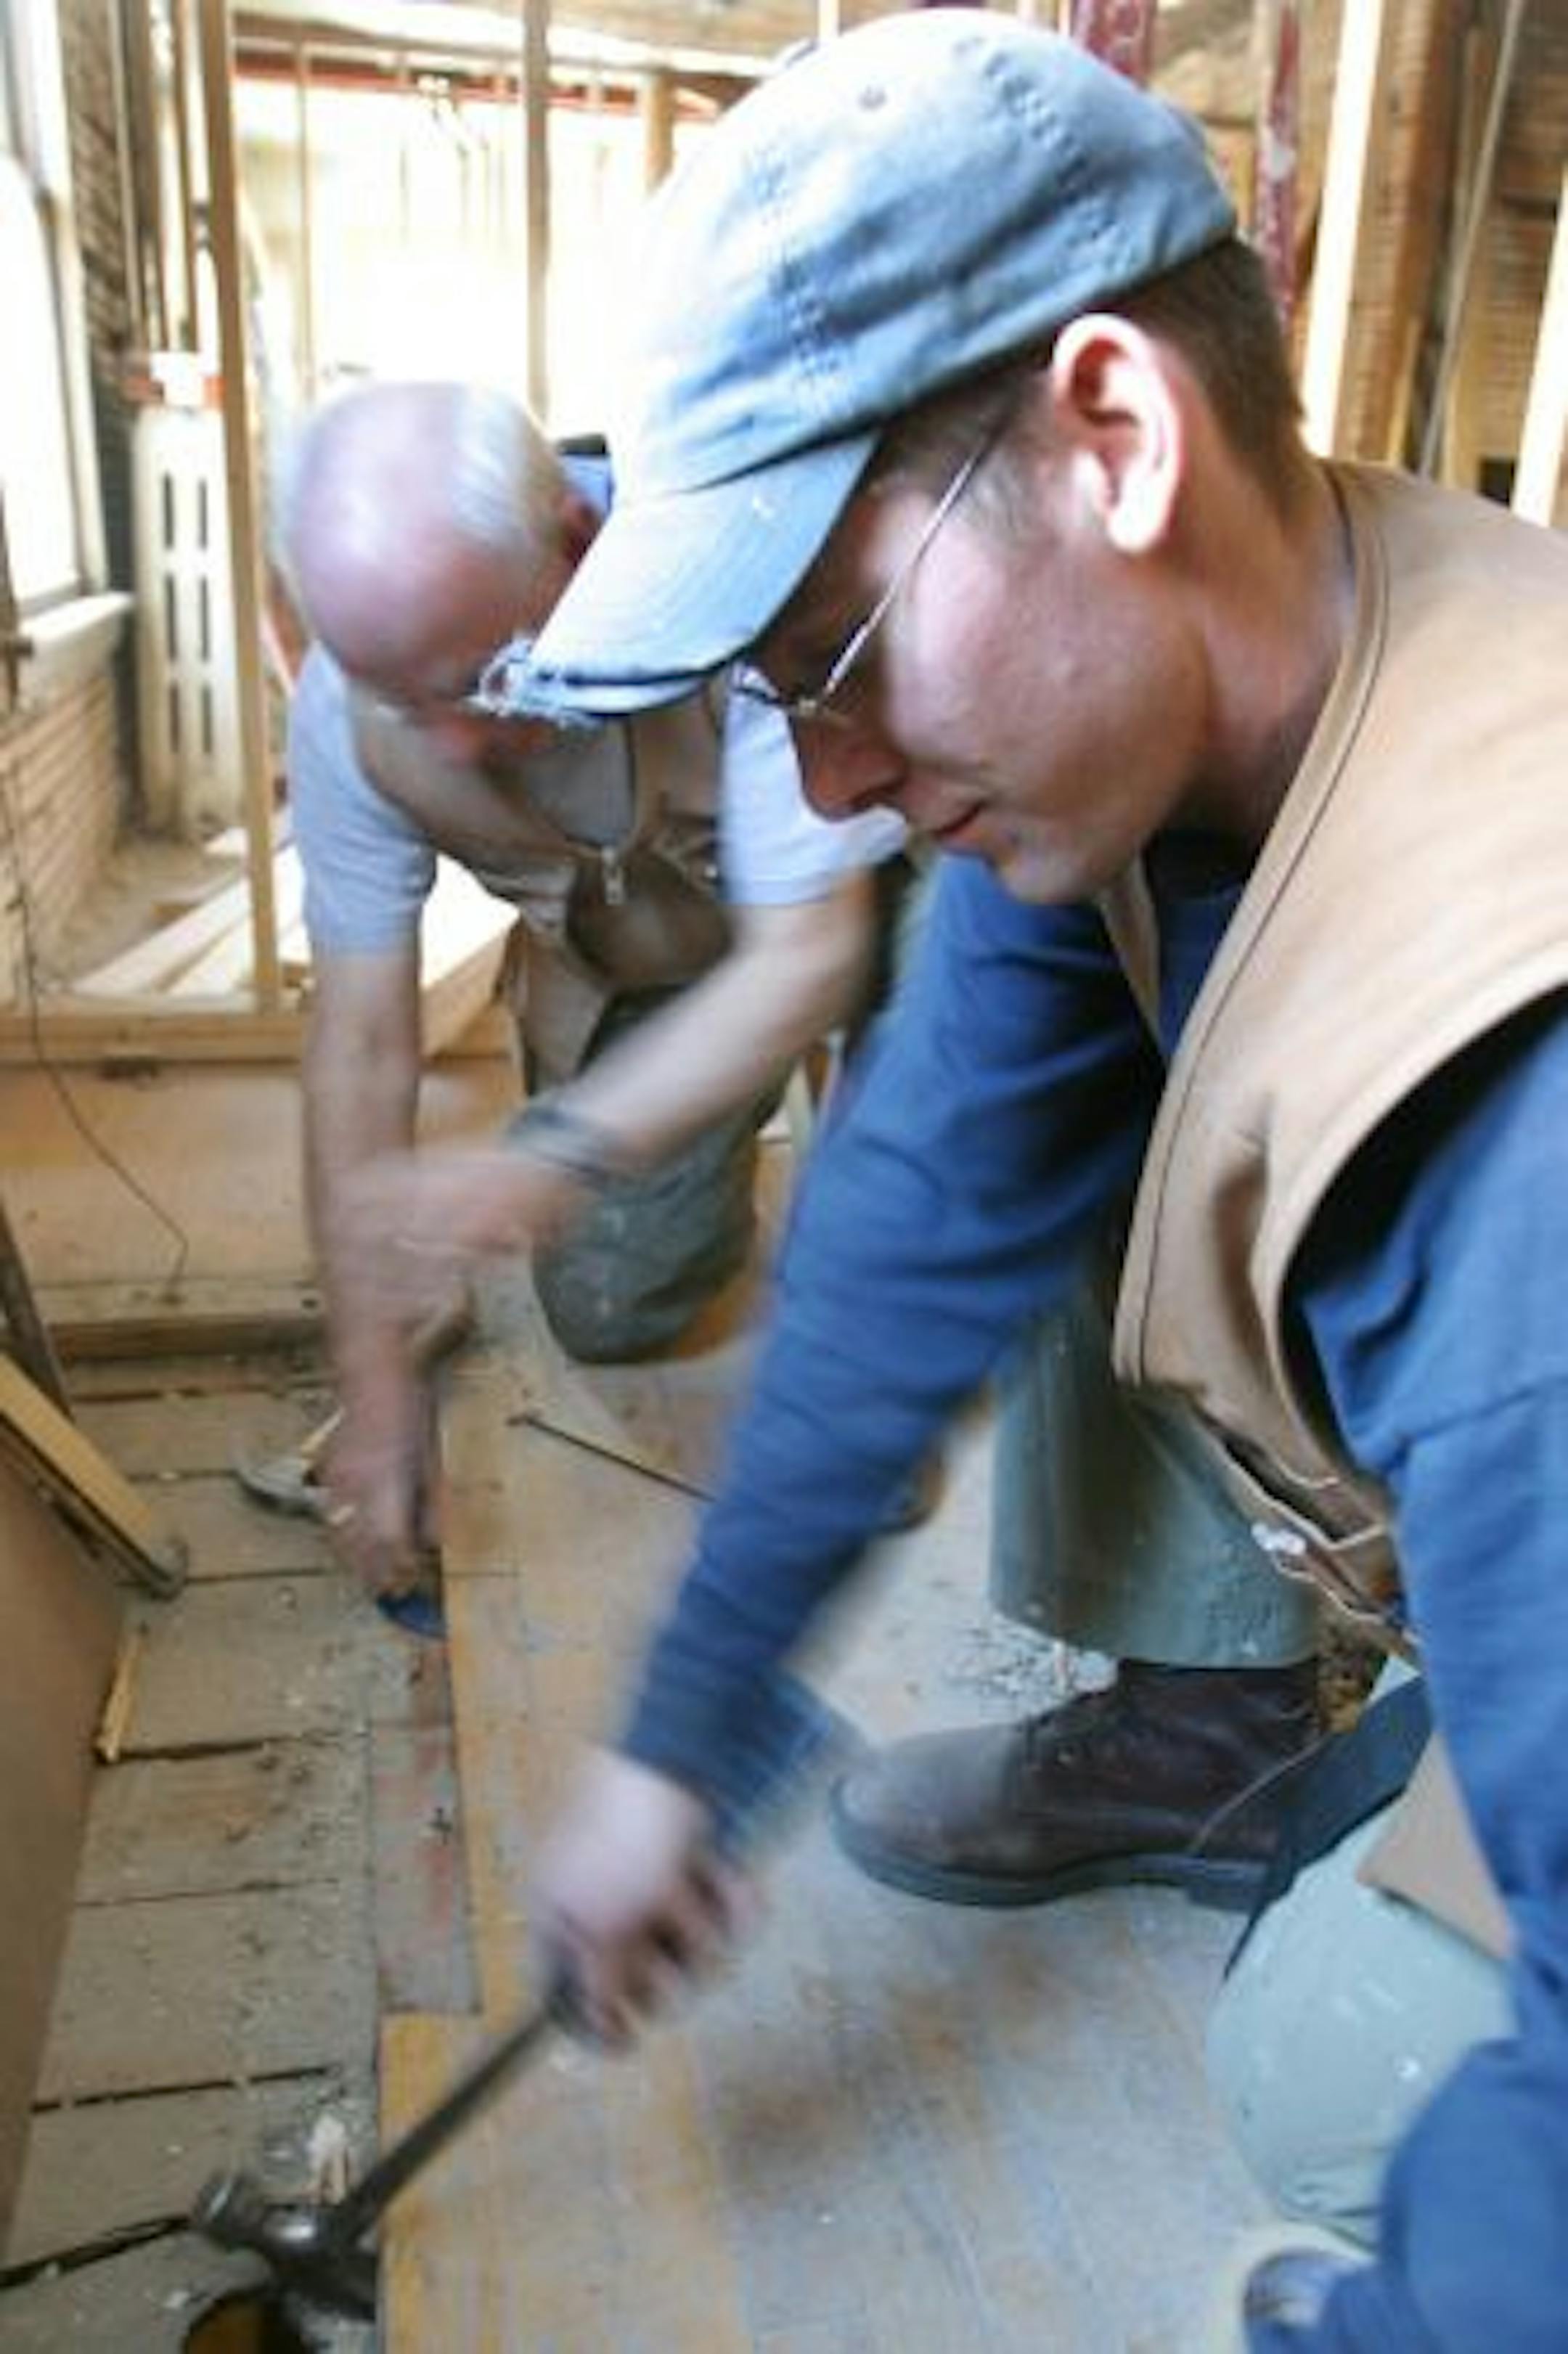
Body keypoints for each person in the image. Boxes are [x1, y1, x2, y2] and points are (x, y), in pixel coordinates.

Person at [482, 17, 1568, 2351]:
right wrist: (679, 1739)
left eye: (836, 650)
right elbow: (902, 1233)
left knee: (1339, 2063)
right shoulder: (1216, 693)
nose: (840, 778)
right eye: (776, 701)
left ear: (1116, 430)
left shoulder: (1523, 1150)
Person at [280, 380, 905, 1601]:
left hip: (860, 925)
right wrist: (375, 1383)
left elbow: (811, 959)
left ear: (578, 540)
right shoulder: (350, 713)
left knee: (956, 1204)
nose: (449, 742)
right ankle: (742, 1150)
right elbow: (357, 1045)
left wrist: (548, 1154)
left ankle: (878, 1232)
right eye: (406, 702)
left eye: (487, 681)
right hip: (669, 971)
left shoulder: (747, 577)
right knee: (611, 1303)